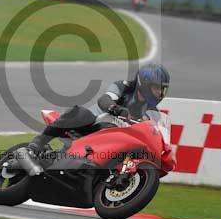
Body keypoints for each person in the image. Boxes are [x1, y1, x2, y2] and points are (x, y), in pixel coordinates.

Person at [27, 63, 171, 153]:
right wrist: (117, 109)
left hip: (116, 142)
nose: (160, 93)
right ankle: (38, 143)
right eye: (157, 88)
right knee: (80, 112)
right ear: (145, 83)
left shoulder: (152, 112)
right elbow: (104, 99)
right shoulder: (124, 87)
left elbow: (155, 134)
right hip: (91, 125)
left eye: (162, 89)